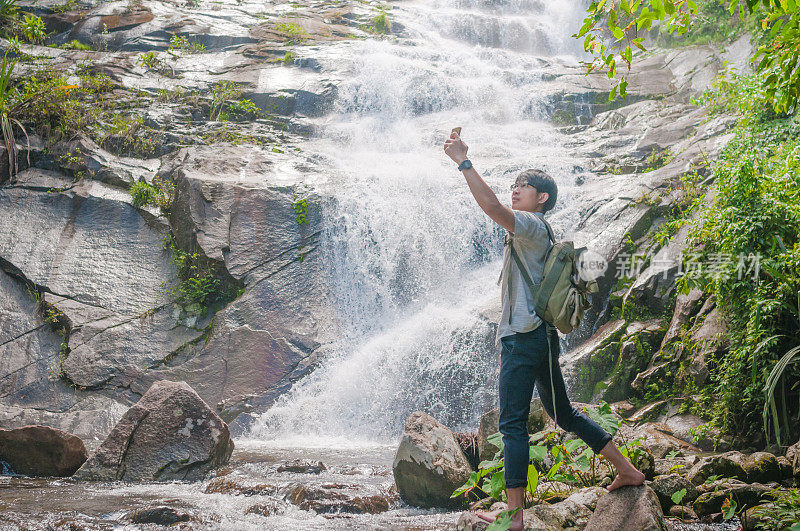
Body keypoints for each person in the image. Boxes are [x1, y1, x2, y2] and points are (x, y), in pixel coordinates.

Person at [443, 130, 645, 531]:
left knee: (512, 424)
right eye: (515, 184)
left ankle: (514, 518)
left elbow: (492, 207)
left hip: (524, 340)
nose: (517, 190)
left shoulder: (532, 226)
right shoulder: (533, 233)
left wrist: (464, 163)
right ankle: (628, 471)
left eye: (526, 186)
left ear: (543, 200)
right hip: (541, 337)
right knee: (563, 413)